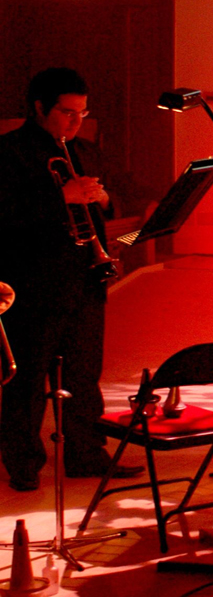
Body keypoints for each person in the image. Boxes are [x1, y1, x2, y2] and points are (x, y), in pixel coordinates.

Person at [0, 69, 141, 492]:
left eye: (83, 112)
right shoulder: (9, 152)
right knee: (28, 379)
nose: (77, 121)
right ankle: (23, 463)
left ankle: (86, 454)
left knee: (83, 375)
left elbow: (114, 204)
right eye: (67, 112)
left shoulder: (85, 151)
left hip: (84, 277)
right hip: (33, 281)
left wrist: (104, 198)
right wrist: (59, 196)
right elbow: (4, 215)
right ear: (39, 108)